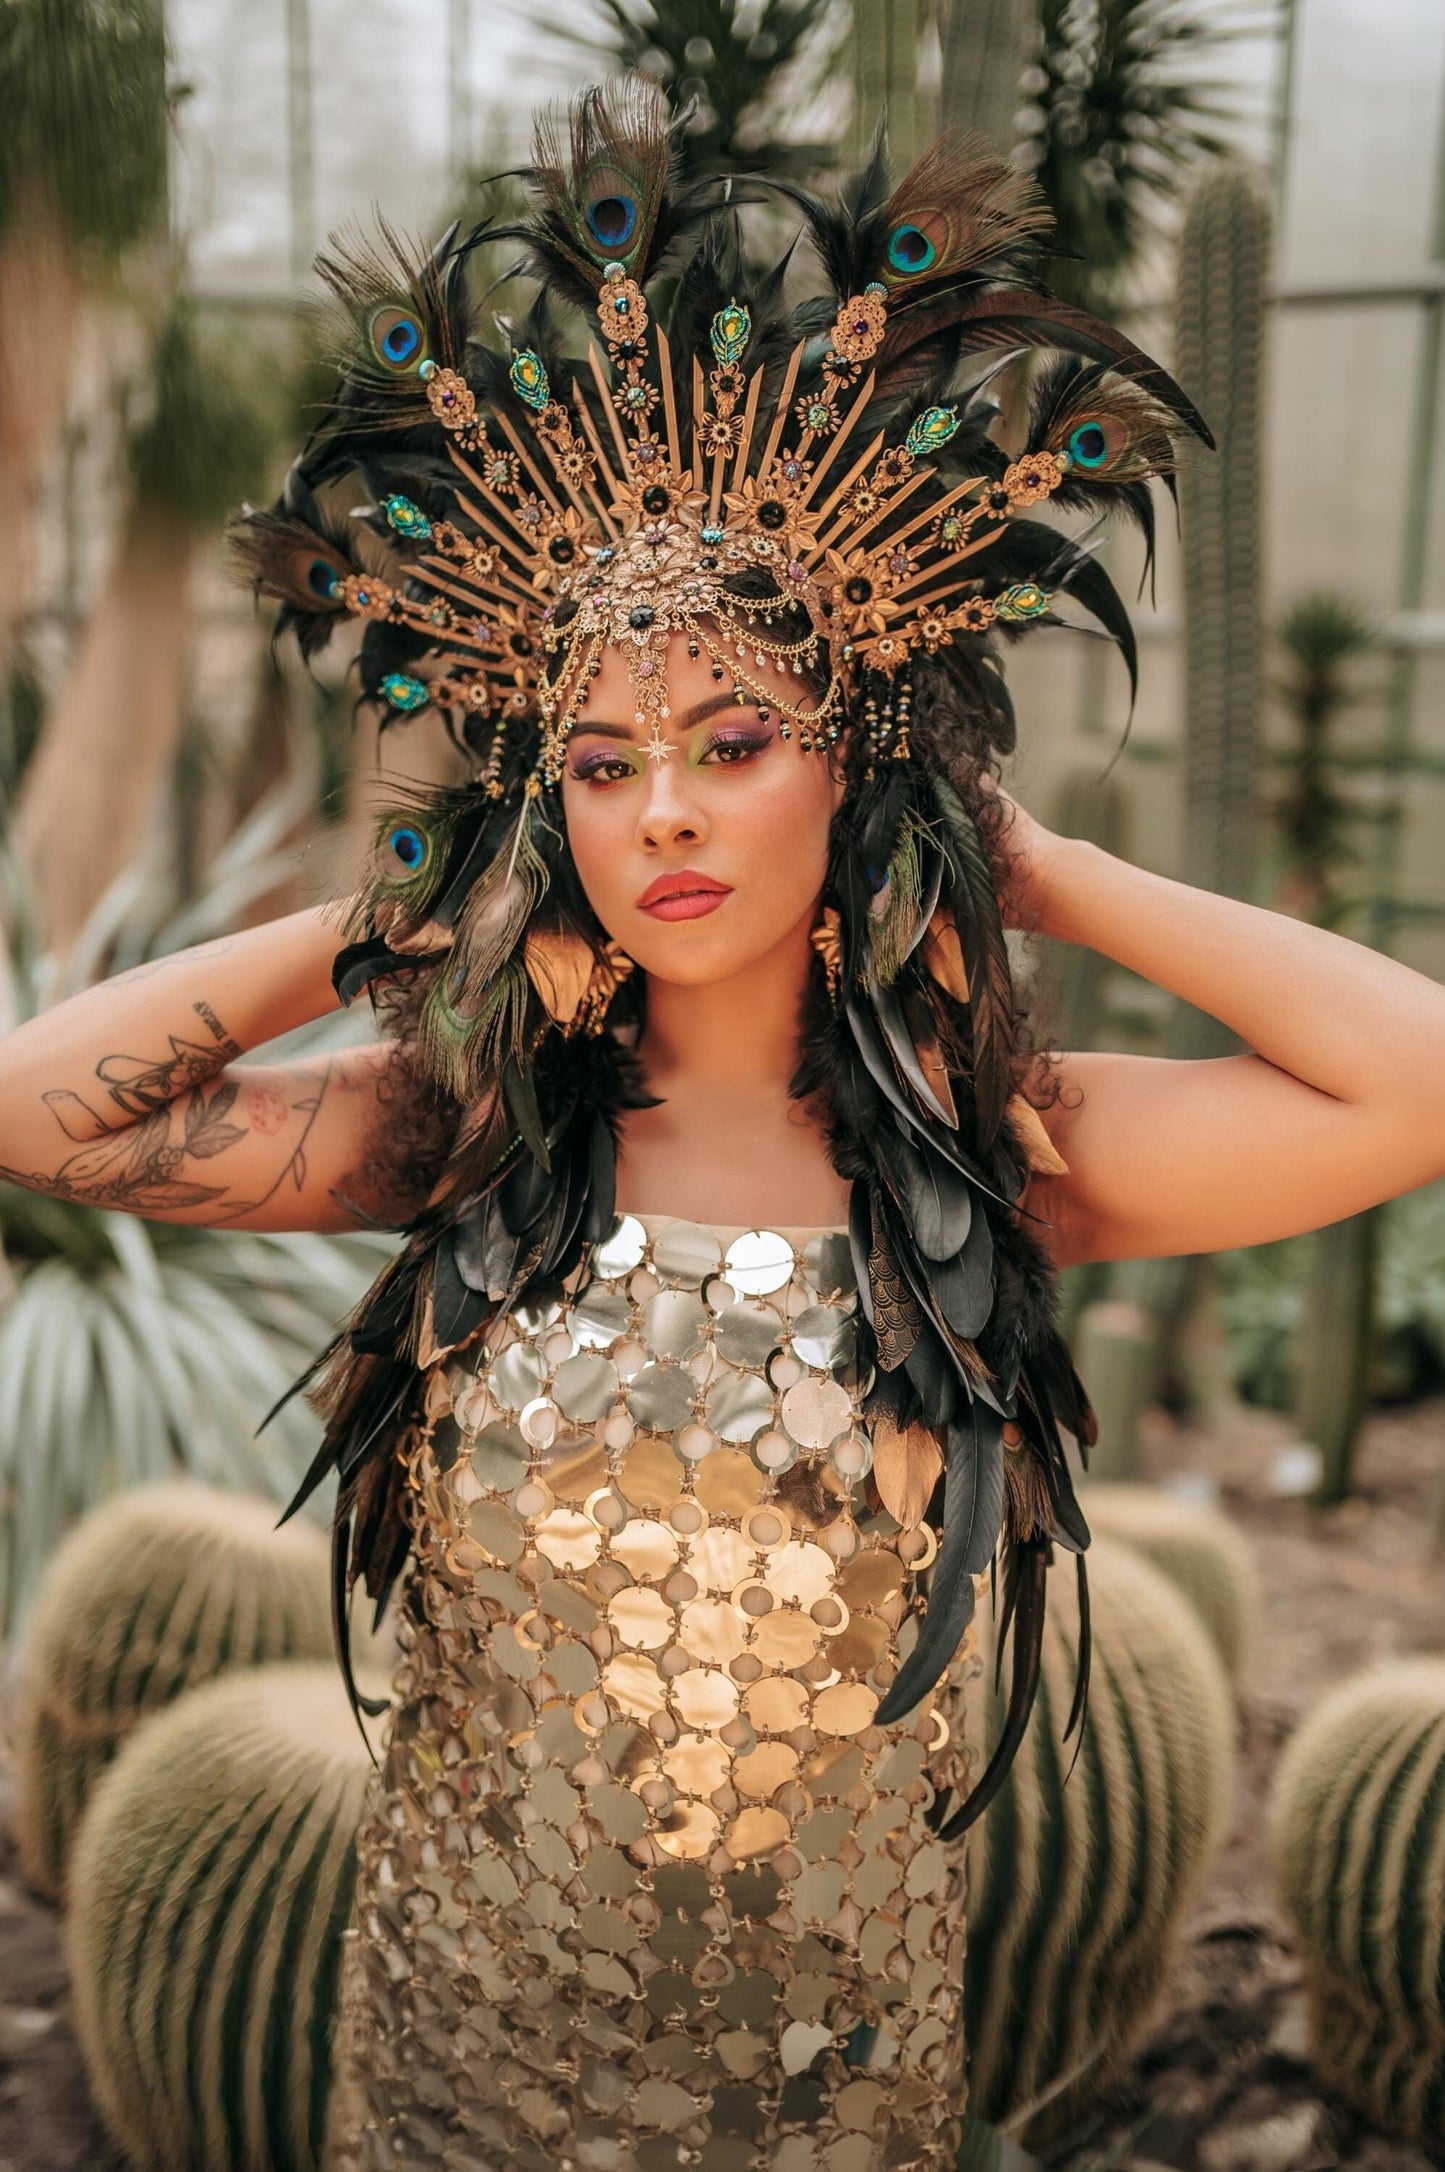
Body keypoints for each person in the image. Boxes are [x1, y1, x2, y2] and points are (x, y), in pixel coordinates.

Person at [4, 79, 1444, 2172]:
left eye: (734, 740)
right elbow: (41, 1116)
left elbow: (1414, 1082)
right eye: (592, 763)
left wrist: (1024, 865)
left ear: (852, 764)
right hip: (447, 2083)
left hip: (822, 2119)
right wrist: (394, 908)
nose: (660, 806)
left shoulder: (996, 1158)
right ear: (547, 805)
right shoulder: (467, 1129)